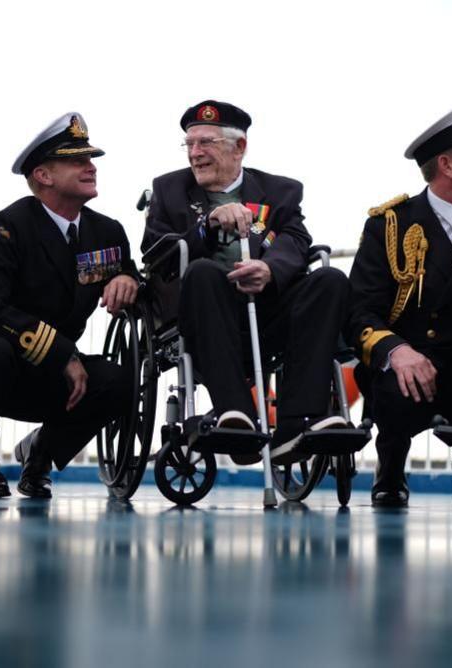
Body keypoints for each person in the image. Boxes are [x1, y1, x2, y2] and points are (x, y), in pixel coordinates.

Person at [0, 112, 140, 498]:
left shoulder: (107, 232)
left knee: (121, 381)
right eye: (77, 161)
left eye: (90, 159)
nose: (91, 167)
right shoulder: (9, 226)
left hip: (59, 378)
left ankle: (39, 456)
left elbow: (128, 274)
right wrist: (62, 353)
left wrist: (127, 278)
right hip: (4, 365)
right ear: (44, 176)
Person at [141, 100, 351, 465]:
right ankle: (235, 415)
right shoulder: (169, 190)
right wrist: (206, 226)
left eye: (206, 143)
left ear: (239, 148)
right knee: (204, 272)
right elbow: (154, 255)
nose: (195, 153)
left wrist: (269, 270)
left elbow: (296, 240)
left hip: (267, 310)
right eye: (189, 144)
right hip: (202, 316)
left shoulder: (280, 192)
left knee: (329, 279)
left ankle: (297, 423)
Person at [348, 101, 452, 508]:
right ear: (447, 165)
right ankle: (390, 471)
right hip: (405, 361)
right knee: (394, 375)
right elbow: (359, 311)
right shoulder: (389, 224)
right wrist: (396, 351)